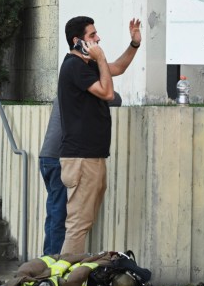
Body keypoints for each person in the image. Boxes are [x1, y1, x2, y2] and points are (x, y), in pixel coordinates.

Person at [57, 16, 141, 254]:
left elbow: (118, 68)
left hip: (91, 157)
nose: (98, 38)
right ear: (77, 41)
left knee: (83, 223)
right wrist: (101, 57)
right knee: (78, 225)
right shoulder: (74, 66)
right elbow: (107, 92)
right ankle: (66, 281)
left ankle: (70, 276)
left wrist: (134, 44)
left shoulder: (86, 65)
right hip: (81, 158)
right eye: (92, 36)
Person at [39, 92, 121, 256]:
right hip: (60, 159)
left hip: (47, 157)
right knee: (61, 215)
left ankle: (47, 259)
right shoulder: (84, 91)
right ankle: (55, 261)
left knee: (54, 213)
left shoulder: (66, 91)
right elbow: (115, 98)